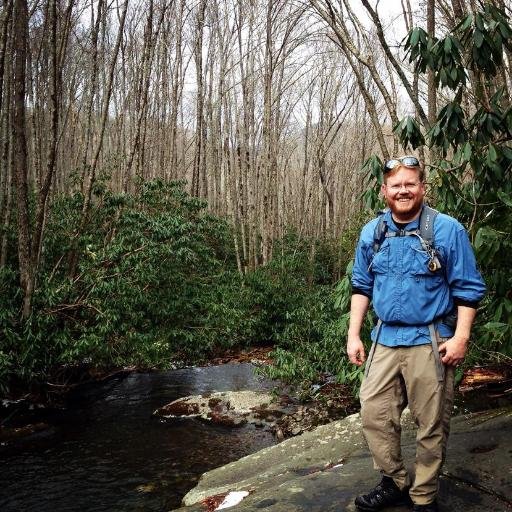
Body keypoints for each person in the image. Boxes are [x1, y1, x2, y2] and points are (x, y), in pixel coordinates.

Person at [347, 156, 486, 512]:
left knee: (431, 422)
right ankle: (393, 481)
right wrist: (354, 334)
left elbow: (468, 289)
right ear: (384, 192)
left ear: (423, 188)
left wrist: (460, 338)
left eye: (410, 184)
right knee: (374, 414)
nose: (403, 190)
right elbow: (361, 286)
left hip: (430, 339)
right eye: (396, 185)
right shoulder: (372, 232)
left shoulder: (447, 229)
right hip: (384, 339)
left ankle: (424, 497)